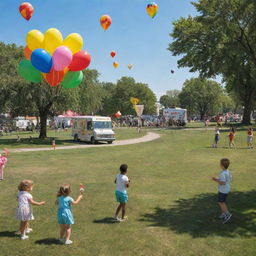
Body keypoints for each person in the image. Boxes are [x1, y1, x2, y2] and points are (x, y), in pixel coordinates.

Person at [211, 158, 232, 224]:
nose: (219, 164)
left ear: (222, 165)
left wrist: (215, 180)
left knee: (221, 202)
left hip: (223, 190)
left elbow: (223, 182)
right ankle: (223, 213)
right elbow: (227, 179)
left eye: (220, 163)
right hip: (226, 189)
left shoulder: (223, 173)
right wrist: (217, 178)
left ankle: (227, 214)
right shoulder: (227, 171)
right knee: (222, 202)